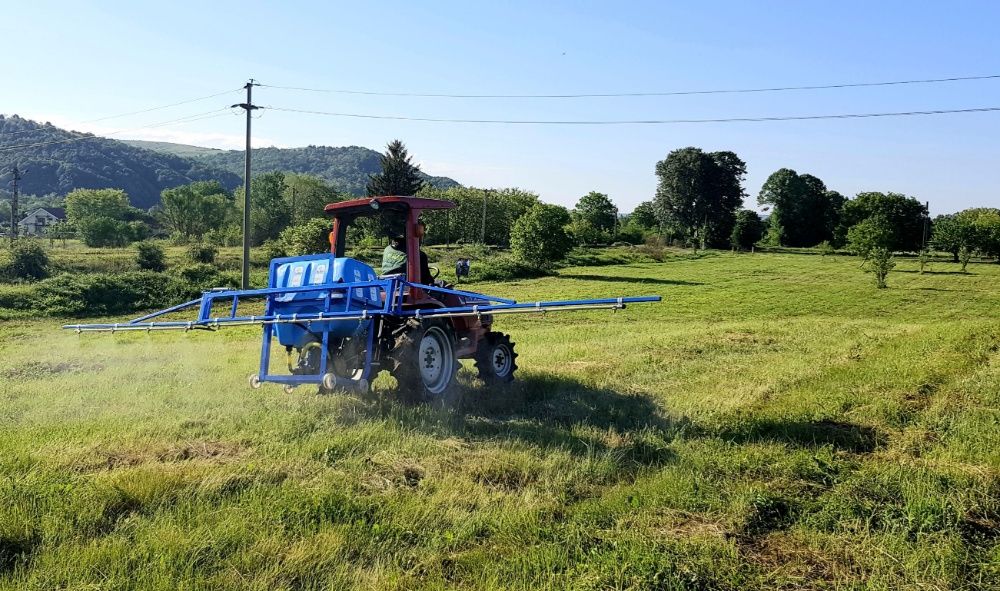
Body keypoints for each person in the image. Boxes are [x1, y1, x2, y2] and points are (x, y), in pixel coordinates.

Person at [380, 220, 434, 285]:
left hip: (386, 284)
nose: (421, 236)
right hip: (405, 287)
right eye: (421, 234)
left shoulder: (387, 249)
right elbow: (426, 279)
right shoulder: (418, 255)